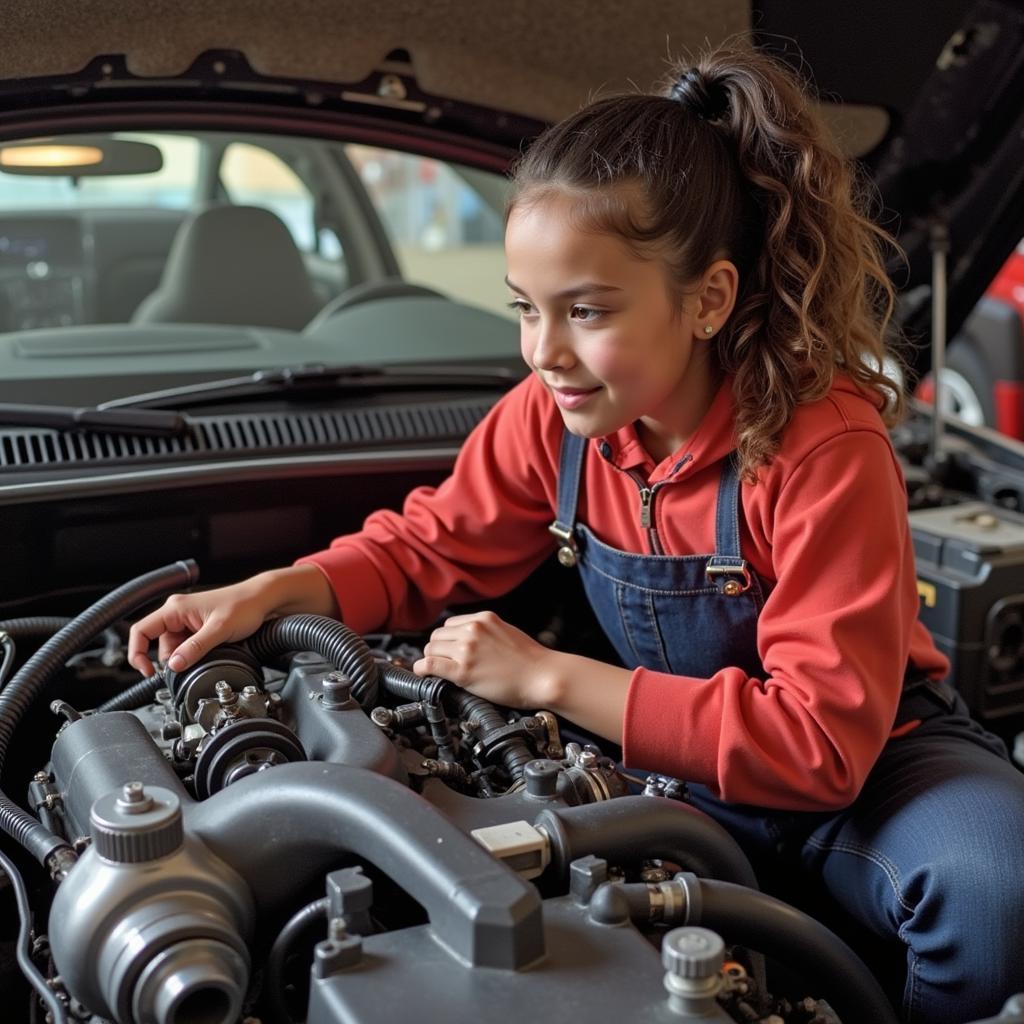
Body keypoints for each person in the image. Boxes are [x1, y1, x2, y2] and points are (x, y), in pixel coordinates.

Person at [128, 47, 1024, 1024]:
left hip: (873, 773)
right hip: (670, 772)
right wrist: (269, 591)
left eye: (586, 311)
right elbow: (426, 547)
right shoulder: (553, 416)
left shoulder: (822, 444)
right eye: (524, 310)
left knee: (992, 895)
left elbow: (818, 743)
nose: (544, 352)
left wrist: (548, 677)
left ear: (708, 299)